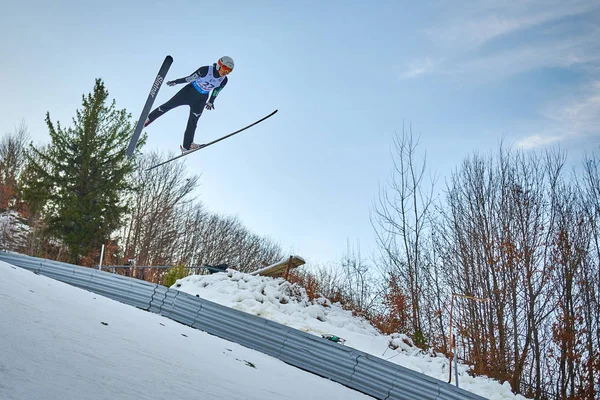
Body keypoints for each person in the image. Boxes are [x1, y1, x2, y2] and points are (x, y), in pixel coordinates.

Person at [144, 56, 234, 153]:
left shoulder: (224, 80)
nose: (226, 72)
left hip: (201, 100)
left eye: (229, 71)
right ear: (219, 65)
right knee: (168, 105)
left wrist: (211, 101)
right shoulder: (205, 70)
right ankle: (148, 119)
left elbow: (216, 90)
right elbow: (189, 78)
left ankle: (187, 146)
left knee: (193, 122)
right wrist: (176, 82)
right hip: (189, 92)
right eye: (225, 68)